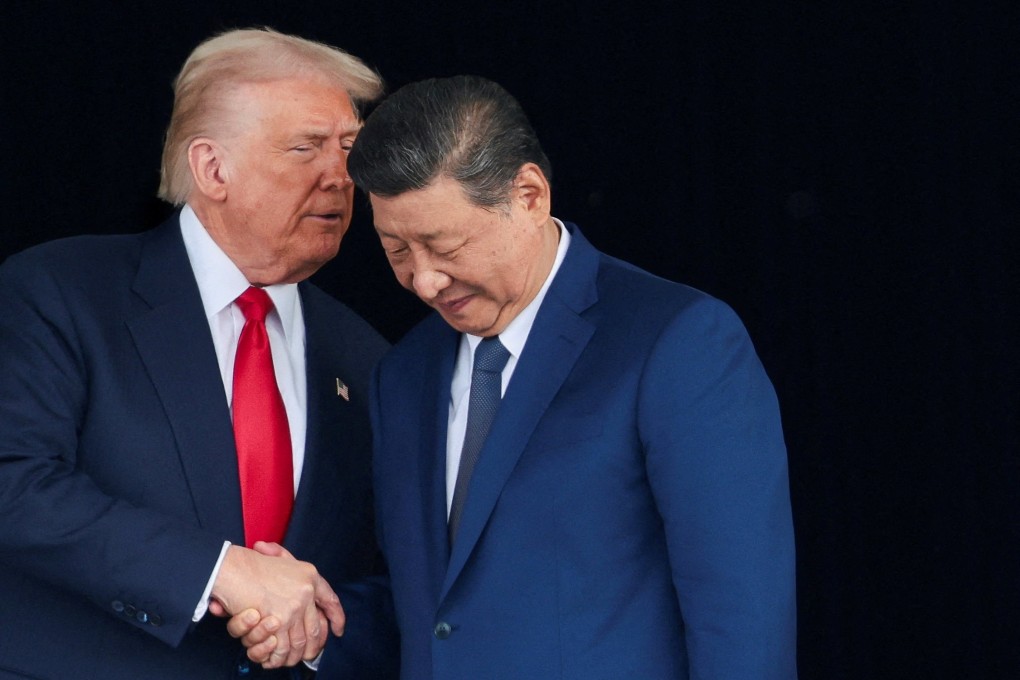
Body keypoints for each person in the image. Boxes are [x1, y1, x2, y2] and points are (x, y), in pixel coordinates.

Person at [234, 75, 798, 678]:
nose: (424, 282)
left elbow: (741, 618)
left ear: (529, 195)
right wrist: (316, 628)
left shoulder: (677, 342)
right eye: (397, 251)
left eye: (444, 245)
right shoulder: (401, 374)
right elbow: (435, 610)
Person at [0, 28, 397, 679]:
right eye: (306, 149)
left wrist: (313, 634)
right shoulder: (60, 292)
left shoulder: (368, 358)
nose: (341, 174)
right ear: (213, 168)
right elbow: (13, 483)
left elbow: (402, 579)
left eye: (350, 149)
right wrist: (217, 571)